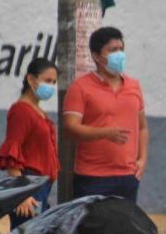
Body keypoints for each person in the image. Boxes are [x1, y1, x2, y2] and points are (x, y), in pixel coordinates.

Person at [62, 26, 149, 203]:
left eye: (121, 49)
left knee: (123, 229)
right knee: (93, 229)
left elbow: (142, 127)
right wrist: (104, 133)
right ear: (96, 56)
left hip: (127, 177)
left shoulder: (134, 85)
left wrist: (142, 159)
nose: (119, 54)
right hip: (92, 178)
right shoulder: (80, 87)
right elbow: (70, 128)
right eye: (113, 50)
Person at [0, 57, 59, 229]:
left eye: (54, 82)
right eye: (47, 81)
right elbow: (11, 153)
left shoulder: (38, 111)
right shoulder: (21, 111)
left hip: (41, 186)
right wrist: (21, 194)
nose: (51, 86)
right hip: (29, 186)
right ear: (31, 79)